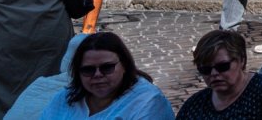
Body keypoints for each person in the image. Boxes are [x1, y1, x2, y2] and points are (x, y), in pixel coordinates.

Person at [174, 28, 262, 120]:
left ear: (241, 60)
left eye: (222, 66)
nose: (214, 74)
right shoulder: (195, 106)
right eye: (205, 70)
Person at [38, 31, 173, 120]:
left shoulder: (147, 102)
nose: (97, 75)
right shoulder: (66, 97)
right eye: (88, 70)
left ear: (124, 65)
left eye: (107, 68)